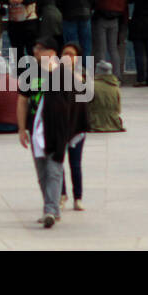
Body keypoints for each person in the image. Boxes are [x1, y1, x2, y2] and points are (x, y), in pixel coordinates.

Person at [17, 40, 87, 228]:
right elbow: (22, 101)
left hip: (56, 130)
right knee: (42, 173)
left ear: (51, 52)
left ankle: (50, 210)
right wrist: (21, 128)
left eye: (39, 49)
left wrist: (71, 129)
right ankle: (50, 207)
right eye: (35, 48)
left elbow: (77, 103)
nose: (35, 52)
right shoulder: (30, 73)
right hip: (35, 129)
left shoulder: (64, 75)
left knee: (54, 170)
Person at [58, 44, 90, 212]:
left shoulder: (82, 75)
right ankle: (62, 195)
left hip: (77, 126)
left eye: (71, 54)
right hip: (60, 126)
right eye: (65, 54)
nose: (68, 57)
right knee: (58, 163)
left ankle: (78, 197)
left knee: (75, 164)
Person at [91, 0, 127, 78]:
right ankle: (117, 77)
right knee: (113, 49)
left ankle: (101, 77)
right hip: (115, 18)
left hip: (100, 17)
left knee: (100, 50)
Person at [87, 59, 125, 132]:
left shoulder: (91, 85)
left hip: (95, 123)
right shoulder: (116, 87)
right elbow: (118, 109)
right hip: (114, 123)